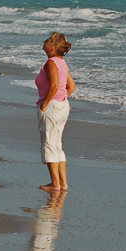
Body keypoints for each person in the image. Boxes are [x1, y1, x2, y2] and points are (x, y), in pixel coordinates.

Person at [36, 32, 76, 191]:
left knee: (49, 143)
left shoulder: (52, 62)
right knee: (57, 144)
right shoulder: (62, 62)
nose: (44, 41)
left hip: (52, 106)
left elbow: (54, 85)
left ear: (54, 47)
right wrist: (61, 99)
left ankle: (55, 183)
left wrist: (45, 104)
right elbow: (71, 86)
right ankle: (62, 183)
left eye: (48, 40)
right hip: (62, 105)